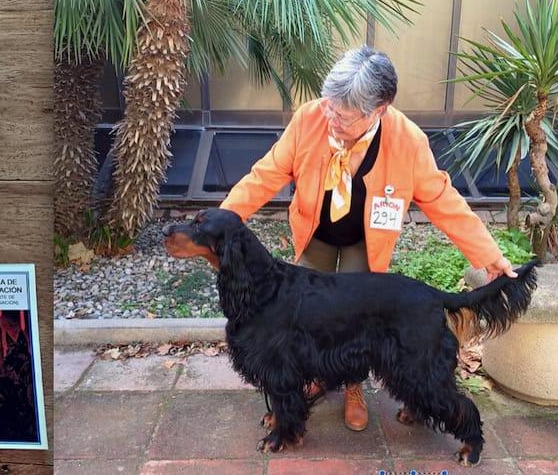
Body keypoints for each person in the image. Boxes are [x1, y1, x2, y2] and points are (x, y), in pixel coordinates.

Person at [219, 45, 515, 432]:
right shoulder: (309, 118)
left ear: (378, 110)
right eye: (329, 107)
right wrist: (222, 221)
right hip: (316, 233)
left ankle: (353, 385)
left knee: (356, 319)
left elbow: (443, 200)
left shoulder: (407, 140)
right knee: (305, 316)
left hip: (364, 239)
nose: (330, 119)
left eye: (342, 116)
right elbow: (265, 175)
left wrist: (489, 255)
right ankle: (315, 375)